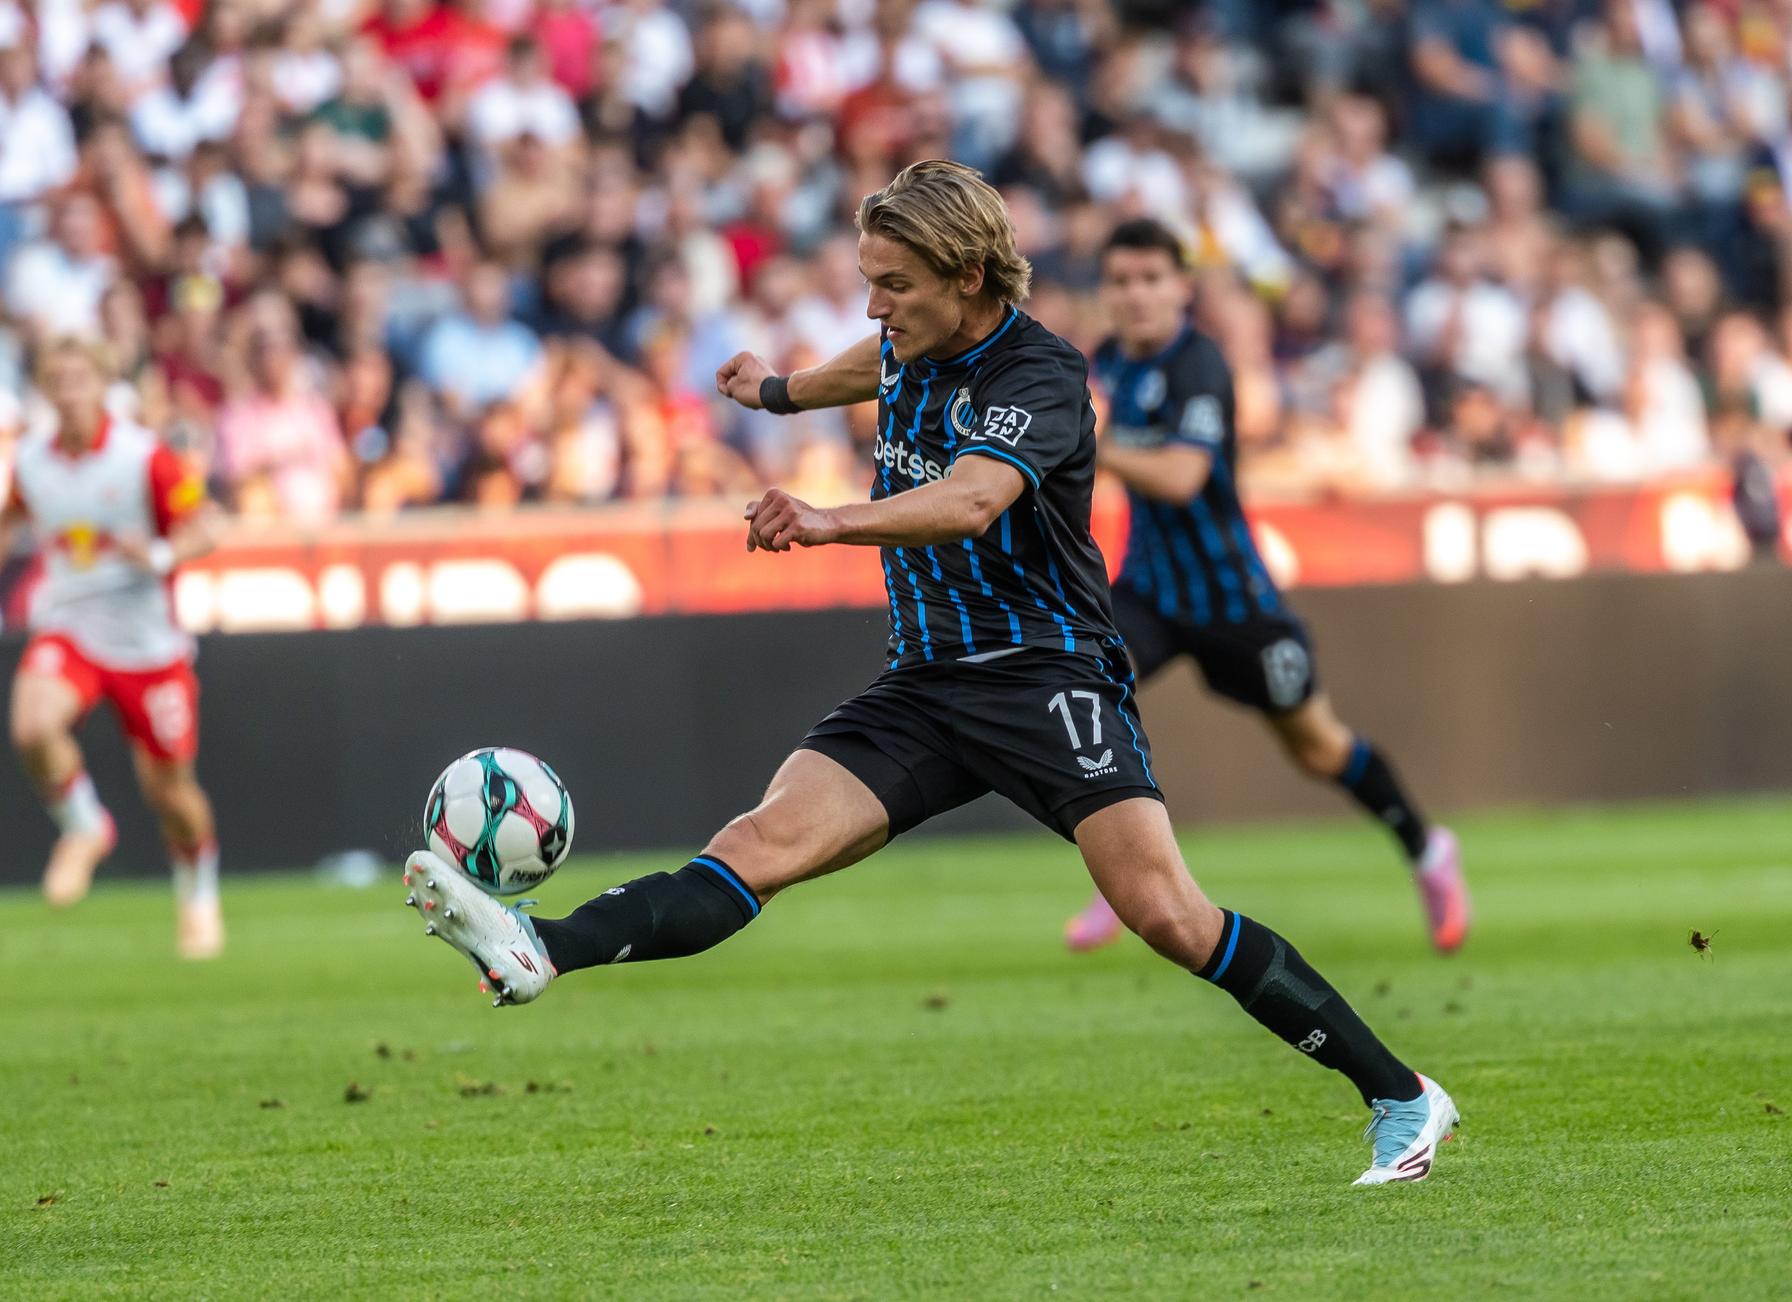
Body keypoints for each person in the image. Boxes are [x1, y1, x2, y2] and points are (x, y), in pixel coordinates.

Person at [402, 161, 1457, 1185]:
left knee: (1170, 917)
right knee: (755, 845)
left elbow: (968, 500)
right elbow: (875, 365)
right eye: (868, 280)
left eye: (893, 284)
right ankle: (540, 948)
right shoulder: (911, 339)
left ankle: (1402, 1096)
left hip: (1047, 680)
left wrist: (825, 520)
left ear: (969, 278)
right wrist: (780, 393)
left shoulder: (1042, 376)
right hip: (927, 684)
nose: (875, 304)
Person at [1063, 219, 1470, 955]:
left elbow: (1184, 477)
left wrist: (1091, 441)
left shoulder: (1201, 368)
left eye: (1151, 278)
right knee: (1086, 693)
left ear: (1182, 287)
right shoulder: (1110, 361)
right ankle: (1128, 874)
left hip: (1234, 602)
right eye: (1121, 281)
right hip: (1149, 591)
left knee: (1316, 747)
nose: (1136, 295)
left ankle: (1427, 849)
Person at [2, 337, 224, 958]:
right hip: (70, 622)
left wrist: (153, 554)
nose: (69, 390)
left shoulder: (142, 456)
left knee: (171, 793)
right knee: (31, 725)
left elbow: (206, 526)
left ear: (102, 385)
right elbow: (11, 520)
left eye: (80, 378)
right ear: (44, 388)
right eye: (58, 379)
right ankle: (85, 827)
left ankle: (198, 895)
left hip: (145, 641)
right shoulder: (31, 462)